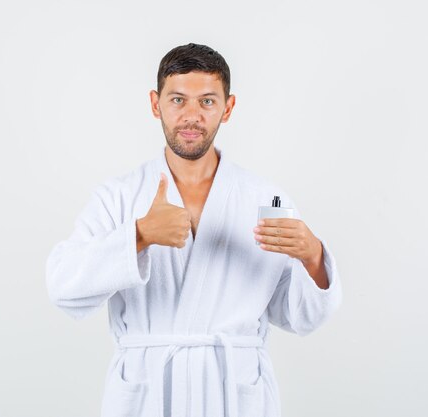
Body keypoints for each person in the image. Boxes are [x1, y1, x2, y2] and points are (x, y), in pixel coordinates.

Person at [45, 43, 342, 417]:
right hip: (147, 392)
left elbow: (299, 318)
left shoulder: (266, 198)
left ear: (228, 108)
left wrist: (313, 257)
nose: (191, 116)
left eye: (206, 102)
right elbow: (63, 286)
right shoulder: (118, 196)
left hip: (234, 392)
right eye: (178, 100)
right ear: (156, 104)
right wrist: (139, 235)